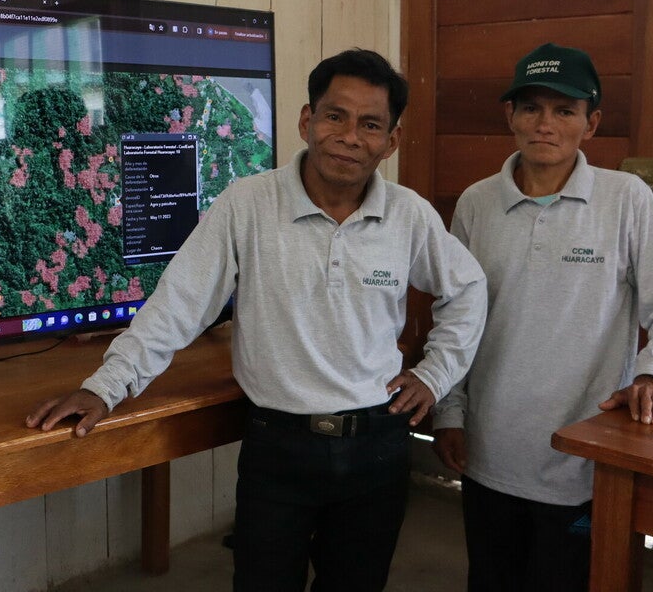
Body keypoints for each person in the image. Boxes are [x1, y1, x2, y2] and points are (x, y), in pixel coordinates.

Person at [27, 49, 487, 592]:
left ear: (392, 140)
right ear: (305, 120)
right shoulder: (247, 205)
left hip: (377, 447)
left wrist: (436, 374)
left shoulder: (409, 215)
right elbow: (179, 305)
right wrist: (105, 387)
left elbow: (468, 288)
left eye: (370, 124)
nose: (349, 136)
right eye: (334, 116)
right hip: (278, 448)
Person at [431, 43, 653, 592]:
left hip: (583, 458)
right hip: (490, 451)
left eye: (564, 111)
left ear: (591, 123)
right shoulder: (476, 205)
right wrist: (449, 412)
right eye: (530, 107)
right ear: (510, 116)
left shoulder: (626, 200)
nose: (545, 124)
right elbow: (455, 320)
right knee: (492, 580)